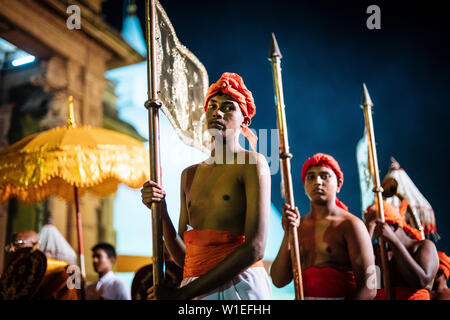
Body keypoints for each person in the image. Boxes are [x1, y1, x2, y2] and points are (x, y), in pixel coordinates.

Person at [142, 72, 272, 300]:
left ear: (244, 120)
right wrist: (160, 211)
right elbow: (185, 258)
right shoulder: (189, 175)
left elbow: (255, 248)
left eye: (228, 107)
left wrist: (182, 295)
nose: (217, 112)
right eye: (212, 105)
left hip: (240, 287)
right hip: (196, 288)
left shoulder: (252, 163)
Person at [270, 153, 376, 300]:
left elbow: (369, 289)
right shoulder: (297, 227)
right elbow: (278, 280)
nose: (317, 182)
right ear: (305, 185)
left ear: (338, 184)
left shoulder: (351, 225)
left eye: (325, 176)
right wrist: (288, 233)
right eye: (311, 177)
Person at [364, 200, 439, 300]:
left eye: (376, 227)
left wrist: (393, 240)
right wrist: (368, 227)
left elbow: (421, 281)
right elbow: (368, 282)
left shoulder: (424, 246)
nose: (375, 235)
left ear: (393, 226)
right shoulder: (378, 252)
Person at [5, 230, 78, 300]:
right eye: (10, 246)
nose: (12, 249)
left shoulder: (59, 274)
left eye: (18, 244)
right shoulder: (11, 275)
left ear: (35, 245)